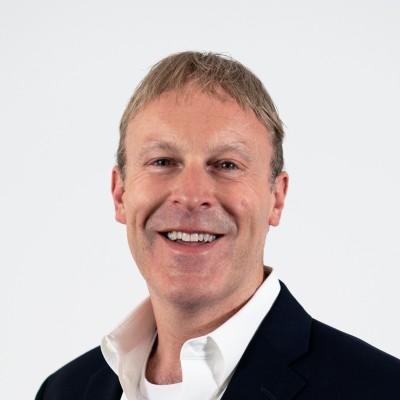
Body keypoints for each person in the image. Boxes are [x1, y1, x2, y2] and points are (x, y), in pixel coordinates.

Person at [36, 51, 400, 400]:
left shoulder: (382, 390)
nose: (191, 195)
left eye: (227, 165)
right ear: (120, 194)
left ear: (276, 198)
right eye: (163, 161)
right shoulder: (63, 391)